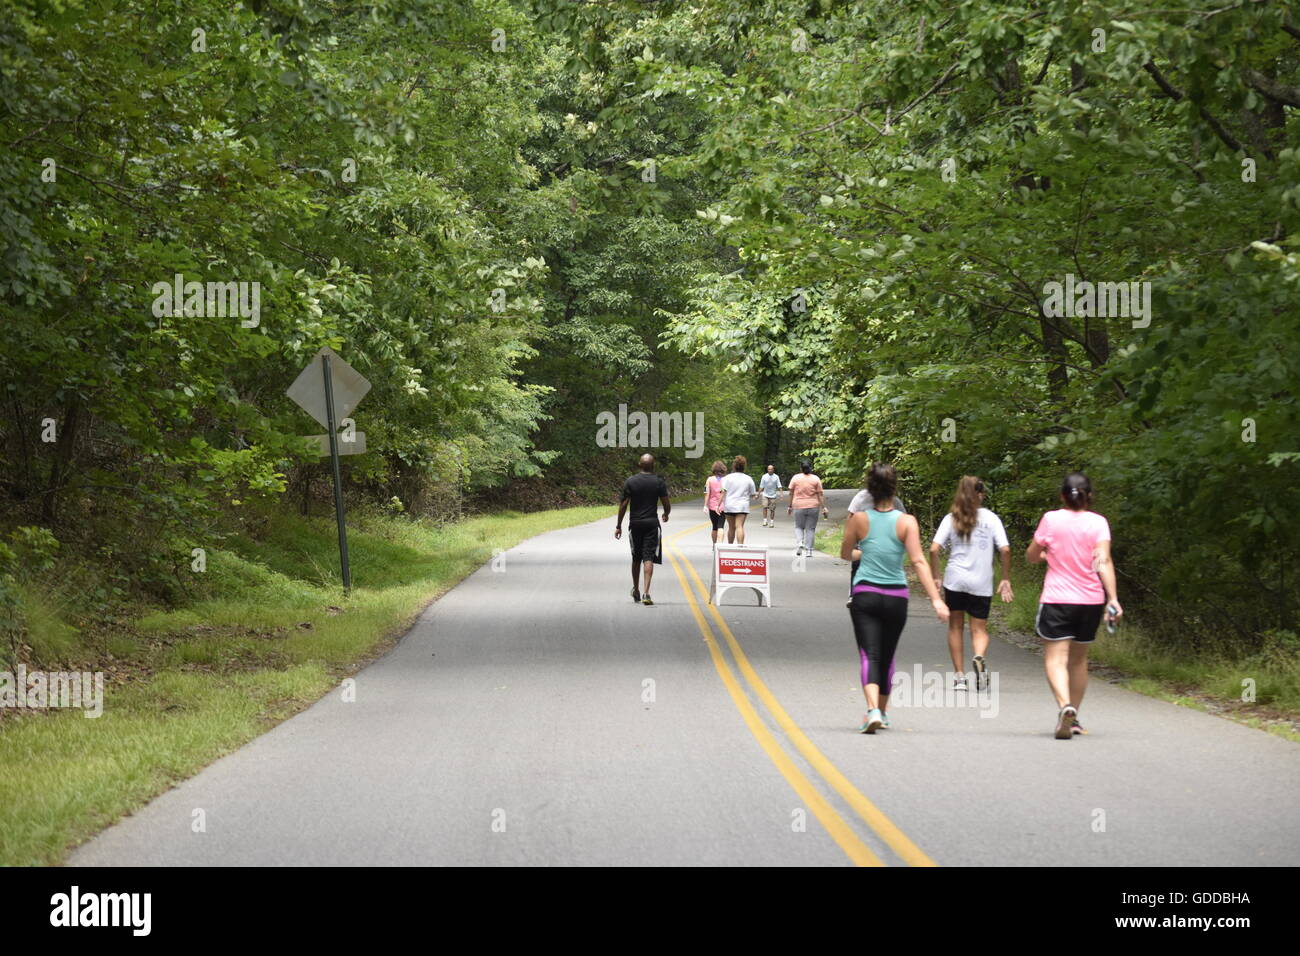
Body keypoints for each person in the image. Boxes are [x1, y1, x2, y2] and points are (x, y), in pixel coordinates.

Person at [840, 463, 948, 734]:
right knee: (888, 656)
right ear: (894, 487)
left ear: (869, 488)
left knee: (869, 654)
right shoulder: (907, 521)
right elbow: (919, 561)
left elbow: (845, 554)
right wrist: (936, 600)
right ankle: (883, 713)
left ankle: (873, 709)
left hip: (865, 594)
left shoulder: (859, 520)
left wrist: (865, 553)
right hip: (896, 597)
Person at [1026, 472, 1121, 739]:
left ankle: (1063, 705)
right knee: (1079, 662)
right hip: (1091, 600)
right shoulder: (1099, 523)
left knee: (1056, 659)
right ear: (1089, 496)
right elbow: (1103, 560)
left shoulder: (1051, 519)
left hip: (1057, 599)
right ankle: (1074, 716)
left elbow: (1032, 556)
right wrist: (1112, 598)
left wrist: (1044, 554)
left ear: (1062, 496)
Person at [929, 476, 1013, 691]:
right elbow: (1005, 549)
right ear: (981, 495)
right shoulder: (991, 518)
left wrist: (936, 576)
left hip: (955, 580)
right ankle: (978, 656)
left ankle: (959, 678)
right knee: (979, 629)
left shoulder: (951, 518)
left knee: (955, 627)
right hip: (981, 580)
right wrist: (1005, 578)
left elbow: (934, 549)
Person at [615, 453, 671, 605]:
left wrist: (619, 525)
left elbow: (623, 505)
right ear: (653, 466)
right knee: (648, 557)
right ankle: (646, 593)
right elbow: (666, 503)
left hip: (635, 524)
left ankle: (636, 589)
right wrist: (666, 514)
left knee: (636, 557)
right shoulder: (659, 482)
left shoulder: (631, 481)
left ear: (640, 465)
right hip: (652, 524)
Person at [844, 480, 907, 606]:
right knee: (857, 565)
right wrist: (850, 536)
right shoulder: (861, 497)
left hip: (887, 541)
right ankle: (854, 594)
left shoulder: (893, 500)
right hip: (863, 538)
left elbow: (903, 518)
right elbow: (851, 516)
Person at [787, 459, 828, 556]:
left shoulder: (795, 478)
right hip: (813, 506)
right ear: (811, 468)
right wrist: (824, 507)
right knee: (810, 528)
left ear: (801, 468)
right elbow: (820, 494)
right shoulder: (816, 479)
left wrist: (790, 506)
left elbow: (791, 493)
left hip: (798, 506)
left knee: (799, 526)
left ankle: (800, 543)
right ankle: (809, 550)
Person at [719, 455, 756, 544]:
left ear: (734, 466)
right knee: (739, 526)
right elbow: (753, 494)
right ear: (744, 467)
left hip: (730, 505)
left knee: (731, 527)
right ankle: (740, 547)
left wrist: (718, 504)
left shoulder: (727, 478)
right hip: (742, 506)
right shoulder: (748, 479)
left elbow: (723, 492)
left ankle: (730, 546)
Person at [703, 460, 727, 544]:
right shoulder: (725, 480)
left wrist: (705, 505)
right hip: (723, 506)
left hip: (712, 506)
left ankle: (714, 545)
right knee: (721, 526)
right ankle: (720, 545)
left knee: (714, 527)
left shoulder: (709, 480)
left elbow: (706, 493)